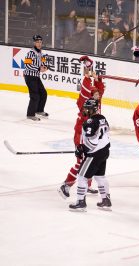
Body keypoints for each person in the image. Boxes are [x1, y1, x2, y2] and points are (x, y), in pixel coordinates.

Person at [58, 64, 104, 199]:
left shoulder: (96, 101)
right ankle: (66, 185)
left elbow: (100, 90)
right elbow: (84, 89)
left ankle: (87, 185)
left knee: (91, 161)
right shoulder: (84, 102)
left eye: (97, 94)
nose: (98, 96)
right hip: (81, 136)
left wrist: (97, 79)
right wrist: (87, 77)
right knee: (81, 163)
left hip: (90, 136)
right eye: (95, 94)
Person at [69, 99, 111, 211]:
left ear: (93, 109)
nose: (85, 110)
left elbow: (92, 142)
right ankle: (105, 200)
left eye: (87, 108)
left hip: (94, 154)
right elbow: (106, 134)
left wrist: (83, 148)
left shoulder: (89, 123)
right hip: (104, 152)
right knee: (99, 176)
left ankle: (80, 202)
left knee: (82, 177)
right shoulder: (102, 118)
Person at [23, 35, 48, 121]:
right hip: (29, 76)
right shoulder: (30, 53)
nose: (39, 44)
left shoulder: (42, 53)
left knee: (43, 93)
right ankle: (30, 114)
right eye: (37, 42)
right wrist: (39, 68)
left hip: (36, 76)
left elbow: (43, 62)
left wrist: (45, 67)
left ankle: (39, 110)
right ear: (34, 43)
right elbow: (27, 65)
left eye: (40, 42)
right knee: (35, 96)